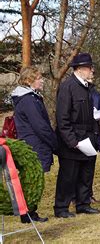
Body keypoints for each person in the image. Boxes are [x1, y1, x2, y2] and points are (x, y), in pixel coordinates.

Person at [54, 53, 100, 218]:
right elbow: (62, 118)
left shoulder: (88, 87)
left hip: (89, 138)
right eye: (89, 68)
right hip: (72, 140)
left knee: (86, 173)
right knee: (68, 175)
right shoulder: (68, 87)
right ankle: (61, 208)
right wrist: (72, 141)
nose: (92, 71)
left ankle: (83, 204)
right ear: (80, 69)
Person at [11, 66, 56, 223]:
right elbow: (40, 126)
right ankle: (28, 213)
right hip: (34, 144)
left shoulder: (31, 98)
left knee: (33, 178)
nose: (42, 80)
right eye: (39, 78)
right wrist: (54, 144)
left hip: (34, 143)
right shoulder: (29, 100)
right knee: (33, 179)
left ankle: (29, 212)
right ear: (29, 80)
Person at [88, 77, 100, 203]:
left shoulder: (95, 93)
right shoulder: (73, 90)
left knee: (90, 166)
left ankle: (88, 194)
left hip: (94, 132)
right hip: (82, 135)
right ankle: (76, 196)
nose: (92, 77)